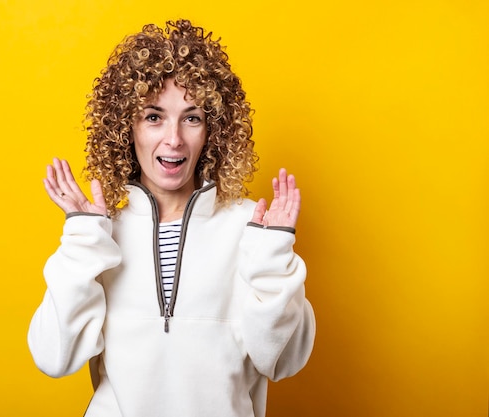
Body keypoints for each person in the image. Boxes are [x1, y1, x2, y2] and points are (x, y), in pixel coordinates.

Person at [28, 18, 315, 417]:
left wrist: (274, 259)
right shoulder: (99, 232)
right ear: (125, 128)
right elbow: (53, 357)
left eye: (192, 118)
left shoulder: (254, 227)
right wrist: (81, 243)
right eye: (153, 116)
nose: (174, 138)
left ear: (213, 130)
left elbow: (283, 362)